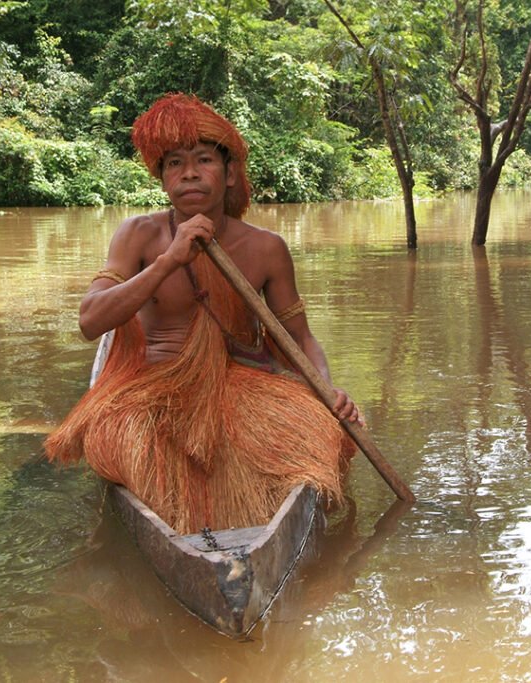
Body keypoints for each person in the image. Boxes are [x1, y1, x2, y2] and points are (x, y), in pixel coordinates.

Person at [45, 93, 357, 534]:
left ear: (229, 174)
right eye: (175, 163)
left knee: (321, 431)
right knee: (118, 438)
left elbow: (300, 339)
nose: (189, 172)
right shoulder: (139, 234)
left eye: (204, 160)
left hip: (239, 384)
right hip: (152, 388)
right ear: (163, 180)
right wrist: (169, 260)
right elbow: (90, 322)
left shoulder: (265, 248)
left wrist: (326, 390)